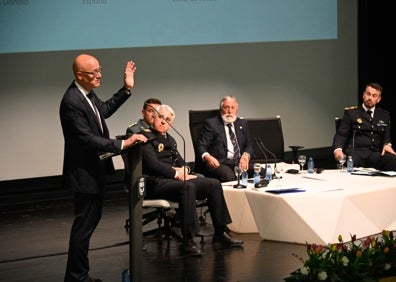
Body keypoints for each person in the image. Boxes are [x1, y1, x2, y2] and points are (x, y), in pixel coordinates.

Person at [59, 54, 147, 282]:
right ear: (79, 75)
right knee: (83, 227)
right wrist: (123, 143)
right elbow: (86, 139)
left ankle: (78, 276)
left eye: (100, 70)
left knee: (87, 225)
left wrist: (126, 89)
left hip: (95, 171)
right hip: (84, 174)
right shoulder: (72, 101)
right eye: (94, 72)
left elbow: (104, 110)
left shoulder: (86, 95)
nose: (99, 75)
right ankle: (77, 278)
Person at [139, 104, 243, 255]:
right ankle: (188, 240)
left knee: (213, 184)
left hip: (175, 180)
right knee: (187, 187)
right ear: (154, 117)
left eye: (167, 120)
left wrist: (185, 171)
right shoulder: (145, 137)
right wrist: (176, 174)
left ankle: (220, 233)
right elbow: (152, 164)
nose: (163, 122)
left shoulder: (171, 139)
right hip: (155, 183)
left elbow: (183, 164)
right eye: (161, 117)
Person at [332, 82, 396, 170]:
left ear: (378, 99)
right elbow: (341, 134)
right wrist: (338, 150)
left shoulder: (384, 115)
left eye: (374, 96)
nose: (370, 98)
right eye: (368, 94)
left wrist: (387, 144)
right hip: (356, 153)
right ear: (363, 95)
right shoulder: (351, 113)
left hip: (375, 155)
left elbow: (386, 136)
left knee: (392, 159)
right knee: (352, 160)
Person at [196, 96, 254, 182]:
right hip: (219, 162)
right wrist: (208, 157)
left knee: (260, 171)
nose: (230, 111)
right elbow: (201, 146)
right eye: (226, 107)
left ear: (236, 110)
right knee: (229, 177)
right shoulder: (212, 124)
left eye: (232, 108)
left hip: (238, 161)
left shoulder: (242, 123)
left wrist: (246, 155)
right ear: (221, 109)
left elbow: (249, 144)